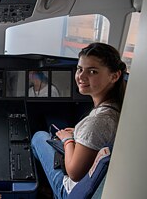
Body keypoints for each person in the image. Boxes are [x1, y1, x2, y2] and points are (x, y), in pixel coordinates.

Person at [31, 42, 127, 198]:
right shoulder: (116, 107)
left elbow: (74, 173)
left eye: (93, 71)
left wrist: (68, 140)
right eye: (80, 69)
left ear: (114, 76)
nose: (81, 77)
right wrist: (77, 132)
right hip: (91, 177)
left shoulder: (97, 122)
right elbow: (99, 134)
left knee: (39, 137)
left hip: (69, 189)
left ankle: (47, 189)